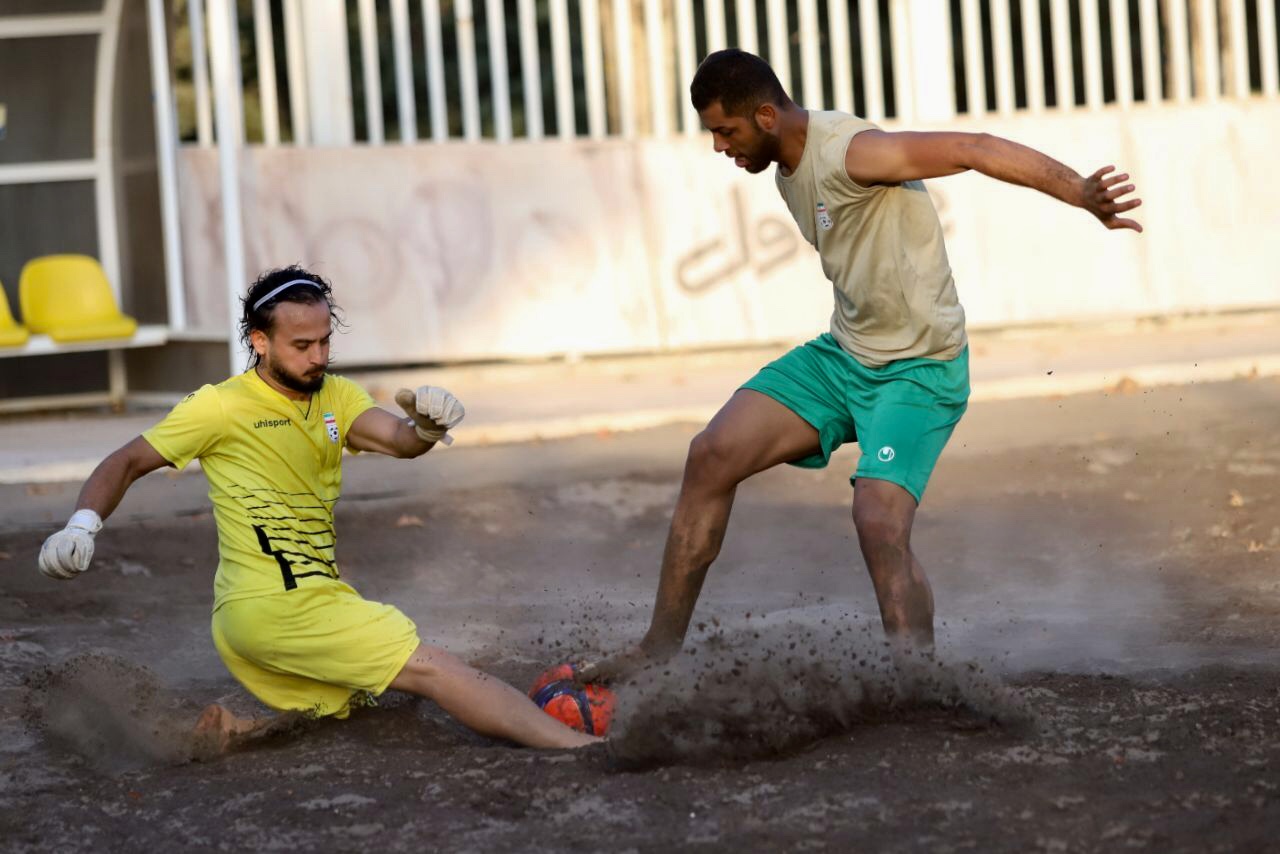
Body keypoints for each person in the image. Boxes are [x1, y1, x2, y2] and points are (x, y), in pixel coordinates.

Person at [579, 49, 1143, 682]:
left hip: (918, 371)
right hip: (845, 356)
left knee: (877, 520)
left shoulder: (853, 153)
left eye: (725, 131)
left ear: (765, 116)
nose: (718, 146)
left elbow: (973, 145)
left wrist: (1081, 192)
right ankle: (658, 648)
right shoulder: (784, 163)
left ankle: (919, 683)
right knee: (711, 454)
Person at [36, 266, 598, 752]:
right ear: (259, 340)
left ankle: (231, 730)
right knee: (434, 670)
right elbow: (126, 460)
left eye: (325, 341)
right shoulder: (219, 407)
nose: (318, 357)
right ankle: (579, 747)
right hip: (272, 606)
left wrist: (427, 426)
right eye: (301, 346)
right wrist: (82, 525)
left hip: (291, 602)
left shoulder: (336, 396)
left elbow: (398, 440)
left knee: (355, 701)